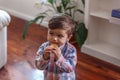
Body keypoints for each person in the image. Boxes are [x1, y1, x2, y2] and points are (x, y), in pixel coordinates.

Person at [35, 14, 77, 80]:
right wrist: (44, 57)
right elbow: (39, 67)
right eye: (51, 33)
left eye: (60, 36)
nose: (54, 38)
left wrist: (59, 58)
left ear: (68, 37)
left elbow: (70, 69)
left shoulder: (71, 50)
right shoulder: (44, 47)